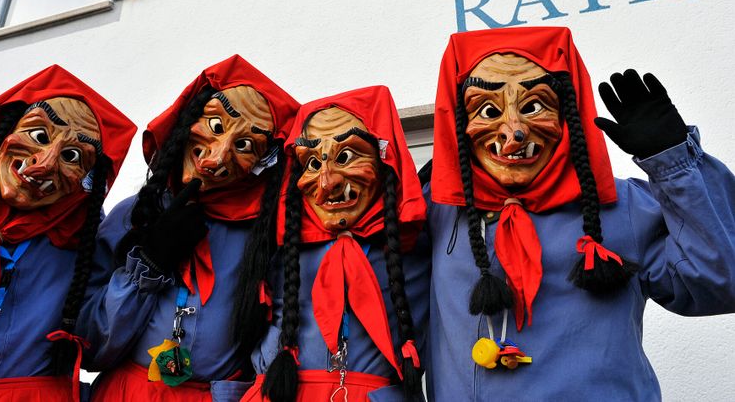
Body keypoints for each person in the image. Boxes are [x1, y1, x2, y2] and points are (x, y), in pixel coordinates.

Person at [424, 26, 735, 400]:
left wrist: (674, 163)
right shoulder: (437, 214)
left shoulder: (622, 206)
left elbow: (722, 283)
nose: (513, 132)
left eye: (533, 106)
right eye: (488, 111)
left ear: (568, 113)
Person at [78, 55, 299, 402]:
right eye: (215, 125)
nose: (217, 157)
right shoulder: (133, 214)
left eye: (245, 145)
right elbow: (90, 345)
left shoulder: (265, 234)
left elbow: (283, 317)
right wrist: (148, 263)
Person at [0, 65, 136, 401]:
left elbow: (98, 345)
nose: (44, 164)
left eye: (71, 156)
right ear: (1, 132)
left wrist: (144, 271)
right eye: (38, 135)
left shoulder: (84, 242)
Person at [243, 85, 429, 402]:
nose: (327, 182)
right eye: (312, 164)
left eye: (345, 157)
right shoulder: (275, 244)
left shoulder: (416, 239)